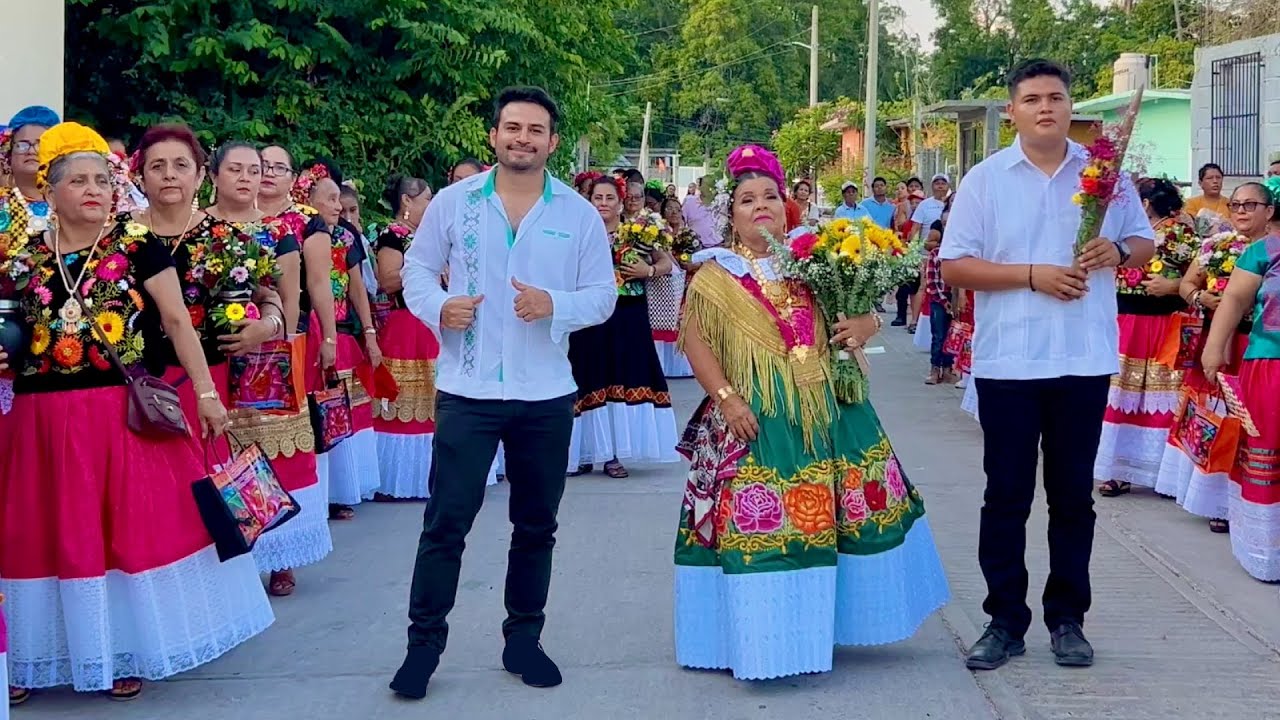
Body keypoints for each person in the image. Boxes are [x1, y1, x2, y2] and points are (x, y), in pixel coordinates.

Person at [0, 122, 274, 704]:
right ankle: (31, 655)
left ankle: (119, 653)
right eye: (78, 181)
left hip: (117, 414)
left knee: (125, 532)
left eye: (103, 180)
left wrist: (206, 394)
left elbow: (176, 321)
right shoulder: (24, 259)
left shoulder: (134, 243)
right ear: (50, 190)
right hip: (39, 417)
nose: (93, 190)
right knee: (37, 534)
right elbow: (13, 326)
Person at [673, 144, 948, 680]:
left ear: (786, 207)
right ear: (731, 215)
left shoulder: (816, 260)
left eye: (770, 197)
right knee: (763, 526)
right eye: (747, 199)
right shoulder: (714, 275)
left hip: (830, 410)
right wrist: (727, 398)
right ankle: (762, 643)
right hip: (758, 414)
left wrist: (866, 324)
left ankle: (834, 627)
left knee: (844, 516)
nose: (761, 206)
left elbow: (858, 312)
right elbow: (697, 343)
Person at [390, 87, 616, 699]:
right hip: (468, 390)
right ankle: (422, 649)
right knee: (445, 524)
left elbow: (603, 295)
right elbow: (415, 269)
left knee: (536, 525)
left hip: (545, 394)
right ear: (493, 135)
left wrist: (554, 304)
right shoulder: (454, 202)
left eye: (536, 130)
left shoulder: (577, 213)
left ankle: (523, 641)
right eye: (512, 127)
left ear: (553, 142)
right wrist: (440, 306)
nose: (523, 138)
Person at [941, 59, 1155, 671]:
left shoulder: (1105, 176)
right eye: (1032, 99)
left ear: (1069, 107)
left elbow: (1144, 243)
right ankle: (1004, 621)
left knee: (1072, 499)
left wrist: (1117, 250)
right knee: (1006, 497)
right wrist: (1032, 275)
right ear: (1012, 110)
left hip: (1082, 358)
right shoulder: (986, 180)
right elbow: (955, 265)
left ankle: (1067, 619)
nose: (1045, 108)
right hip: (1010, 361)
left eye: (1055, 97)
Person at [566, 177, 681, 478]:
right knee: (587, 376)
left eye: (609, 198)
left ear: (620, 202)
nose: (603, 203)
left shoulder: (637, 231)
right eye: (598, 198)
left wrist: (648, 270)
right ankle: (585, 453)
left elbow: (667, 264)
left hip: (627, 314)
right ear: (590, 201)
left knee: (620, 376)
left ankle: (614, 454)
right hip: (589, 316)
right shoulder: (579, 232)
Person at [1094, 179, 1196, 498]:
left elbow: (1199, 273)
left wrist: (1172, 286)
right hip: (1126, 319)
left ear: (1147, 204)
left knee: (1161, 394)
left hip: (1163, 321)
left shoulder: (1178, 232)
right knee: (1122, 393)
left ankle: (1162, 474)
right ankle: (1117, 469)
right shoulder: (1126, 230)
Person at [296, 160, 382, 519]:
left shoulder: (345, 237)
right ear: (308, 200)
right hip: (307, 330)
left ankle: (341, 491)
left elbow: (358, 288)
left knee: (338, 411)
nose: (337, 207)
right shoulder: (294, 231)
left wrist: (369, 334)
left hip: (340, 332)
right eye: (330, 199)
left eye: (339, 200)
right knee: (314, 411)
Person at [1202, 188, 1280, 581]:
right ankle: (1269, 553)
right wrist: (1214, 348)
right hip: (1270, 362)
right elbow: (1233, 299)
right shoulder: (1265, 250)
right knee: (1267, 449)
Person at [372, 175, 439, 500]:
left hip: (429, 323)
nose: (432, 205)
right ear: (407, 201)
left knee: (433, 401)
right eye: (427, 199)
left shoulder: (426, 235)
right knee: (403, 400)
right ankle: (397, 479)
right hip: (406, 324)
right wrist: (428, 271)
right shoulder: (393, 234)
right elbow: (387, 280)